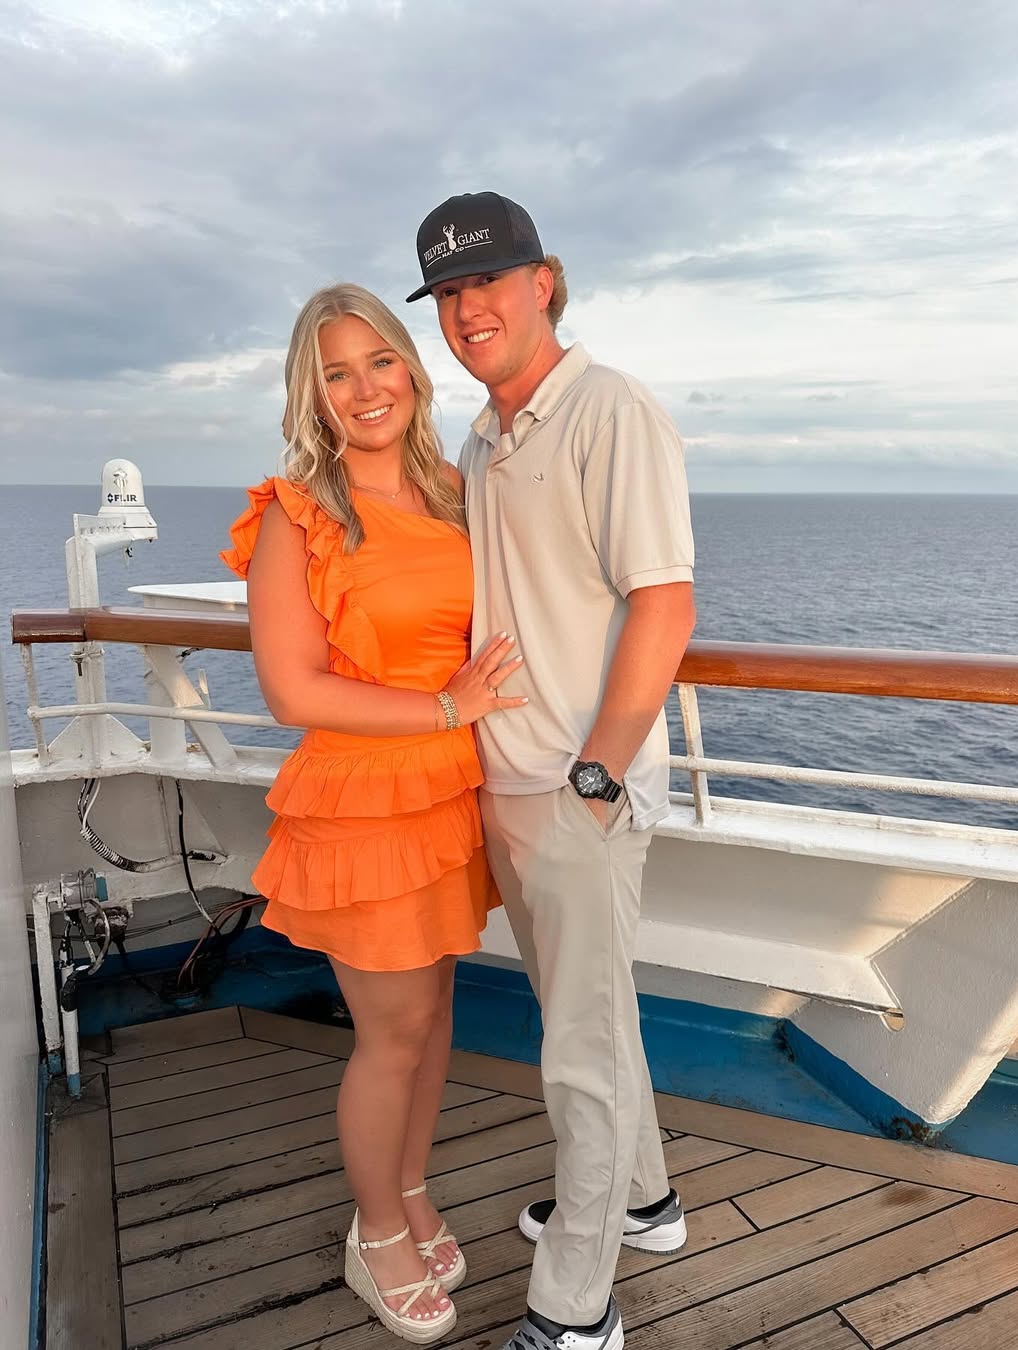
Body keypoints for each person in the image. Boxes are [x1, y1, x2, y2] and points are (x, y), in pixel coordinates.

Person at [407, 194, 697, 1350]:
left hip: (579, 789)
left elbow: (664, 604)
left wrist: (596, 777)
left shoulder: (607, 409)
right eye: (448, 293)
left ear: (544, 283)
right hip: (510, 782)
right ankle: (644, 1203)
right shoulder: (483, 438)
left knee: (579, 1049)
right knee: (589, 1019)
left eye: (487, 281)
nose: (467, 309)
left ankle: (579, 1305)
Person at [220, 283, 526, 1345]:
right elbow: (291, 691)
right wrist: (447, 706)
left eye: (379, 362)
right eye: (336, 374)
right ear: (311, 395)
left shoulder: (454, 491)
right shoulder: (298, 513)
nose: (364, 390)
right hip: (364, 801)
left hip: (446, 791)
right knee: (390, 1036)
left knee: (432, 1017)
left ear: (412, 368)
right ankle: (376, 1233)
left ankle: (409, 1191)